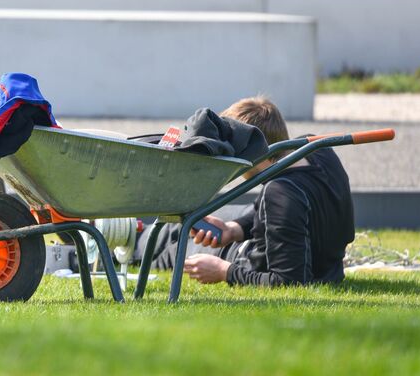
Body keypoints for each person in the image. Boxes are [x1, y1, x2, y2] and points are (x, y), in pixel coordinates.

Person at [147, 96, 355, 286]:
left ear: (248, 149)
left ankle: (132, 246)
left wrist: (224, 271)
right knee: (190, 226)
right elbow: (287, 215)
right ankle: (137, 236)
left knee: (177, 248)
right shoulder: (319, 150)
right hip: (330, 268)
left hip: (249, 258)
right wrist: (233, 229)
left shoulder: (280, 194)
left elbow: (288, 281)